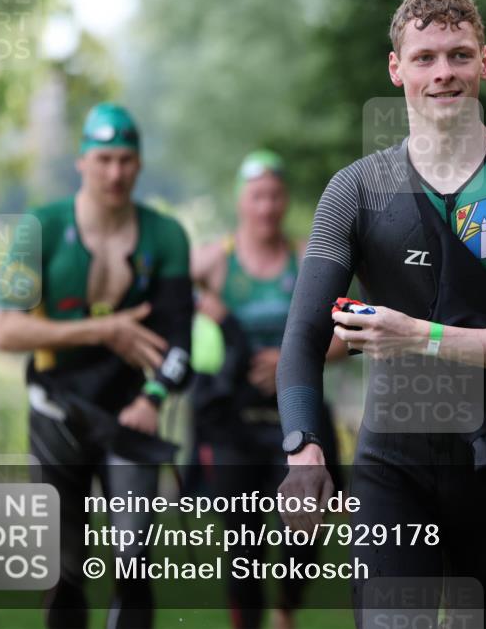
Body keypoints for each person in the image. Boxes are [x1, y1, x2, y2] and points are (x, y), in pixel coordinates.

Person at [275, 0, 486, 629]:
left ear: (485, 63)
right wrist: (303, 450)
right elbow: (302, 341)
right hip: (395, 463)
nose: (443, 72)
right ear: (397, 70)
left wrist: (421, 335)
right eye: (425, 58)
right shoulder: (356, 191)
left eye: (459, 54)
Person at [0, 103, 193, 629]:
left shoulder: (166, 236)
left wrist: (152, 400)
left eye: (126, 160)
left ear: (140, 164)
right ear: (82, 161)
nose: (115, 172)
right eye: (104, 158)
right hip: (57, 413)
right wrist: (104, 330)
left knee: (133, 564)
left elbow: (180, 348)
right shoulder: (40, 226)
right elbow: (7, 331)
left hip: (130, 418)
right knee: (63, 572)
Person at [188, 149, 345, 629]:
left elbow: (347, 328)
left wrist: (291, 360)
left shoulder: (307, 259)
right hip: (234, 424)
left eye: (275, 195)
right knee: (243, 540)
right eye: (257, 196)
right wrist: (202, 307)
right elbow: (162, 292)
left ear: (285, 200)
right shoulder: (215, 261)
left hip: (295, 415)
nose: (266, 206)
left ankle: (287, 608)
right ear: (241, 201)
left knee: (304, 525)